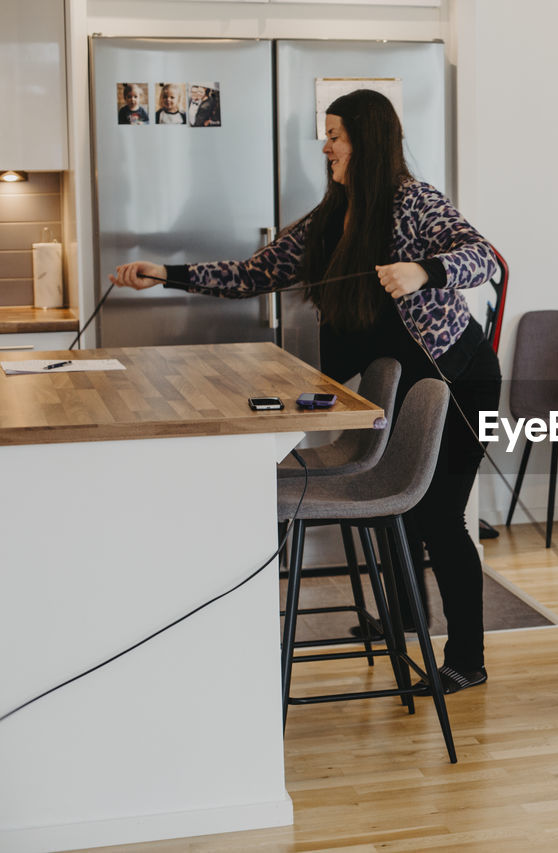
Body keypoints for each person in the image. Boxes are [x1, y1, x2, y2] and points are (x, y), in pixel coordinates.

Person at [111, 88, 500, 695]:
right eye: (328, 134)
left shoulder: (415, 202)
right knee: (405, 505)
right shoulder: (330, 220)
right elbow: (251, 274)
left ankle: (467, 660)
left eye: (336, 135)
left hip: (457, 380)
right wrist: (167, 274)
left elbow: (483, 258)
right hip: (396, 390)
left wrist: (425, 270)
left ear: (366, 142)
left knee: (438, 514)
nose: (327, 145)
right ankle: (405, 617)